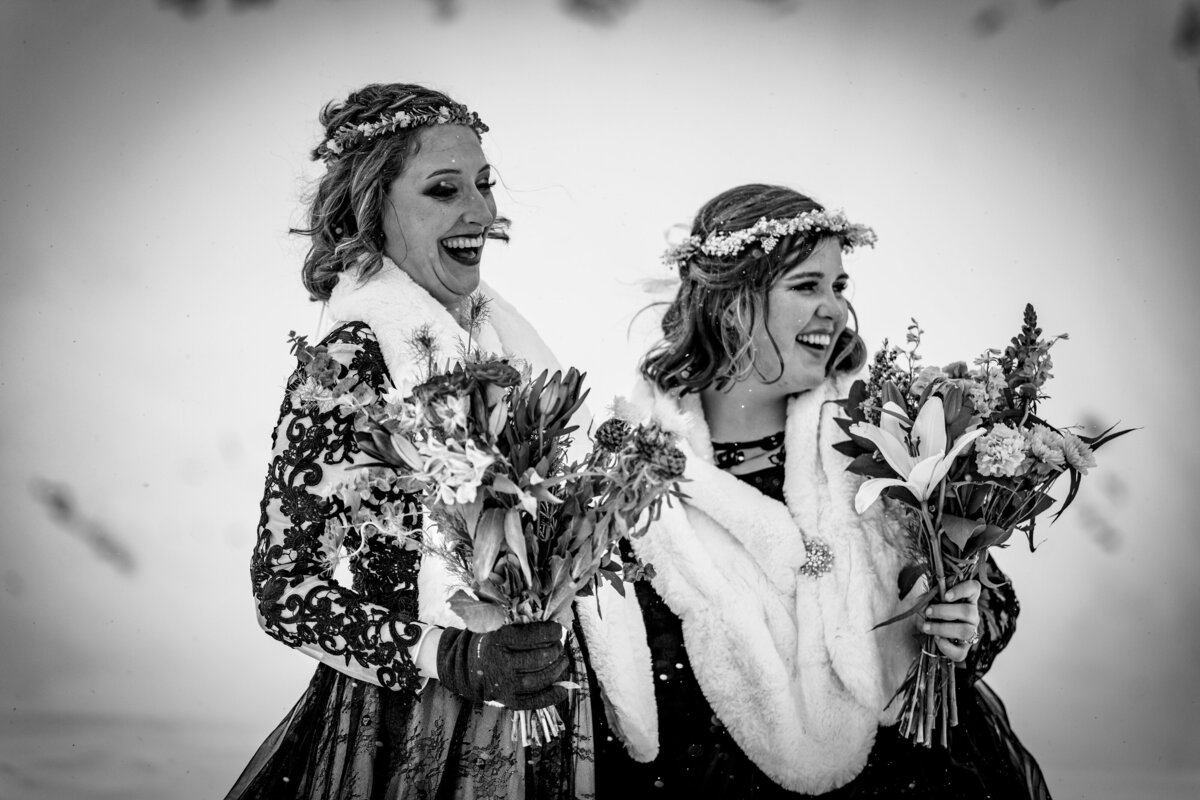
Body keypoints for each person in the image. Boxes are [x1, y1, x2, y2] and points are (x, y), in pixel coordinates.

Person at [225, 82, 651, 800]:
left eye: (483, 185)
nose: (481, 211)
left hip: (546, 711)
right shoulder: (351, 363)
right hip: (415, 730)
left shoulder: (499, 339)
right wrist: (448, 655)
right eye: (444, 189)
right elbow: (285, 590)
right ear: (374, 209)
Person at [588, 184, 1051, 798]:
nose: (833, 308)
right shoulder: (632, 476)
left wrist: (962, 624)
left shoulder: (885, 437)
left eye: (838, 286)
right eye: (807, 286)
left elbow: (987, 601)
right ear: (732, 304)